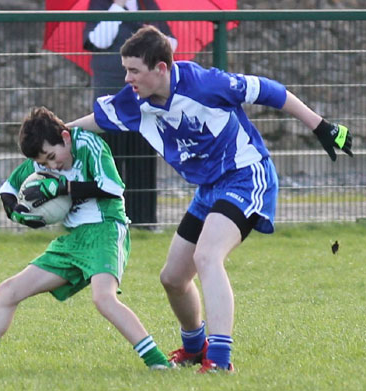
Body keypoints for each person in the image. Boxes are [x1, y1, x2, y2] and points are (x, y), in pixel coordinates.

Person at [63, 26, 354, 373]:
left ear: (161, 69)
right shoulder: (134, 100)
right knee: (172, 277)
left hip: (245, 176)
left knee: (207, 256)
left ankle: (220, 360)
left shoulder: (204, 84)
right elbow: (96, 120)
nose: (127, 78)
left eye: (134, 70)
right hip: (208, 190)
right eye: (125, 69)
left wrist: (321, 125)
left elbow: (270, 91)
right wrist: (58, 133)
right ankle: (194, 348)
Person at [0, 106, 173, 373]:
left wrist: (64, 187)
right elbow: (9, 189)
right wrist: (16, 212)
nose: (51, 166)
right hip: (73, 241)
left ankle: (159, 364)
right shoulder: (41, 159)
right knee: (8, 291)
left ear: (65, 137)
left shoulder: (89, 144)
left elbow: (113, 188)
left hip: (105, 230)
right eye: (44, 164)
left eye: (51, 157)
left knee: (103, 299)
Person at [83, 0, 178, 226]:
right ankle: (108, 219)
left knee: (142, 160)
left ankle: (144, 221)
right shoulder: (99, 5)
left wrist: (151, 38)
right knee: (109, 160)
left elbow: (170, 43)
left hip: (144, 99)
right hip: (111, 95)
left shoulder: (146, 6)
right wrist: (117, 7)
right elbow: (98, 40)